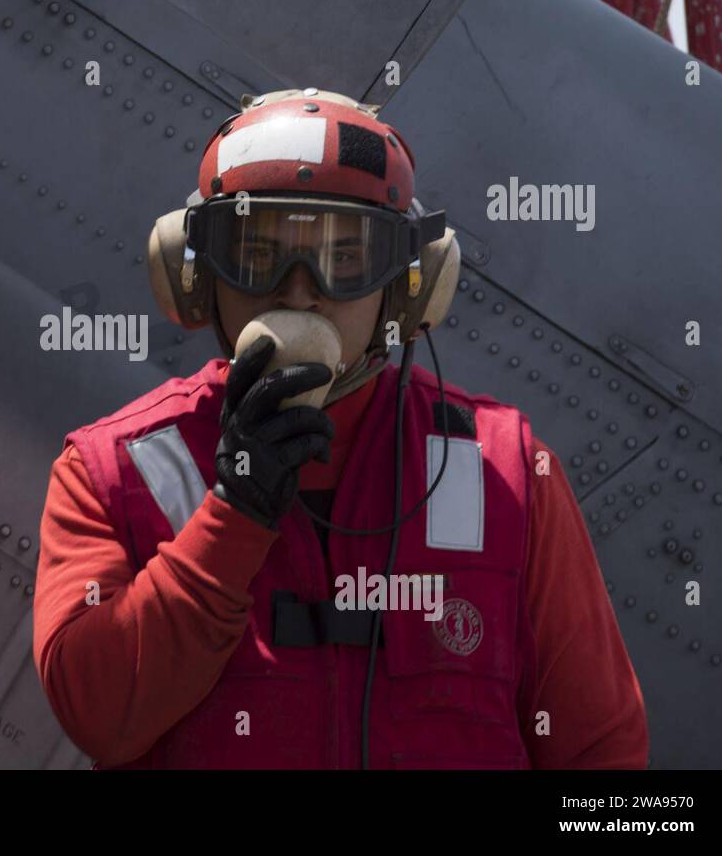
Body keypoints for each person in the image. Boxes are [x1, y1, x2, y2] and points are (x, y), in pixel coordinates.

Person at [32, 88, 649, 769]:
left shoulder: (505, 471)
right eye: (258, 253)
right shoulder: (110, 472)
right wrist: (233, 518)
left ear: (410, 285)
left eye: (345, 258)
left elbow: (603, 759)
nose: (300, 291)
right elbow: (98, 714)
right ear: (196, 275)